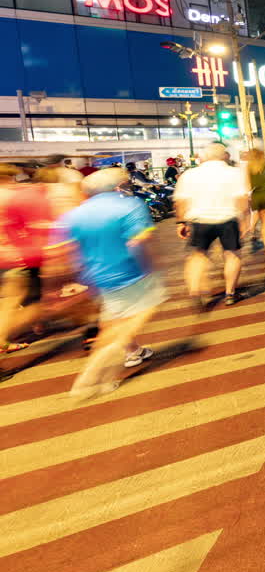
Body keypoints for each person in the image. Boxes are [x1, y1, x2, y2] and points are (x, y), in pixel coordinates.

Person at [59, 168, 162, 399]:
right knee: (127, 326)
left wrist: (79, 280)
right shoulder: (130, 205)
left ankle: (124, 361)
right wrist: (150, 269)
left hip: (97, 278)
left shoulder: (75, 214)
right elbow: (142, 240)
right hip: (130, 274)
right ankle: (89, 379)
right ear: (118, 186)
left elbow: (68, 249)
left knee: (112, 326)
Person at [174, 143, 250, 308]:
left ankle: (195, 291)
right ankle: (230, 294)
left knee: (198, 255)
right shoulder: (235, 173)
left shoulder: (190, 174)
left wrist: (181, 222)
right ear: (224, 156)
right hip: (228, 219)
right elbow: (242, 199)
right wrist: (245, 221)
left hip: (200, 220)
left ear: (204, 156)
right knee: (232, 255)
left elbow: (181, 200)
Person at [0, 164, 53, 355]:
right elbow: (33, 227)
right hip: (13, 258)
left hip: (9, 258)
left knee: (8, 301)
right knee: (25, 303)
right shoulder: (14, 196)